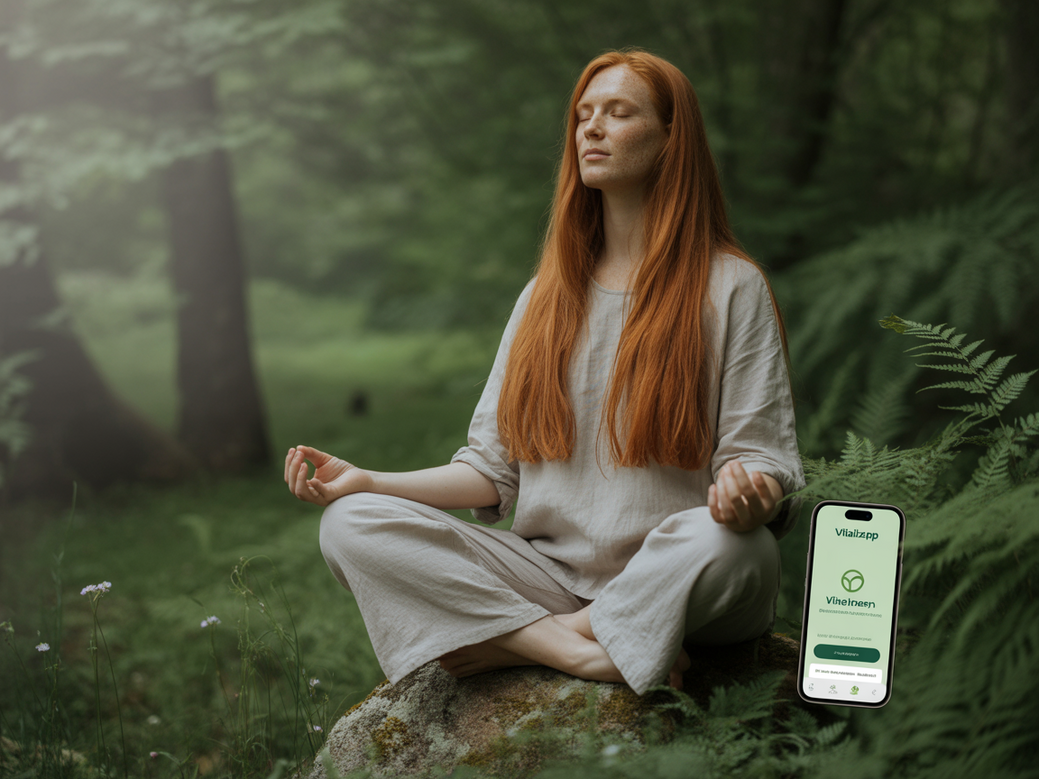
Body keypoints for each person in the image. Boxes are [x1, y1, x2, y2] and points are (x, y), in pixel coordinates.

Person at [284, 48, 805, 695]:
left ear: (672, 138)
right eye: (584, 114)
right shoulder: (544, 296)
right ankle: (571, 646)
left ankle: (522, 637)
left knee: (738, 547)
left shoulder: (730, 286)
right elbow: (489, 470)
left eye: (617, 113)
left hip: (681, 565)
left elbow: (761, 456)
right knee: (349, 522)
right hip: (548, 574)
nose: (590, 128)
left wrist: (748, 489)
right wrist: (368, 480)